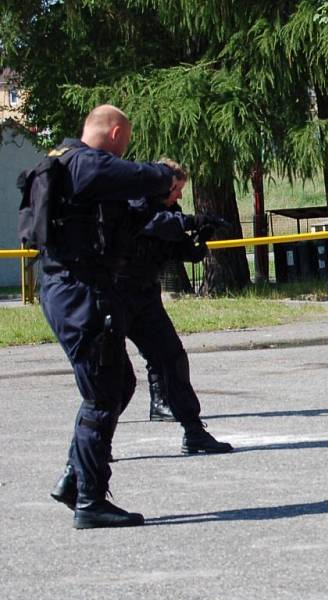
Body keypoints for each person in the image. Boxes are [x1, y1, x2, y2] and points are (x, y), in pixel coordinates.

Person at [49, 161, 234, 514]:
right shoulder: (135, 203)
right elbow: (155, 225)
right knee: (114, 384)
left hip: (145, 297)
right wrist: (188, 223)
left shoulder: (169, 210)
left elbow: (180, 248)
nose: (177, 195)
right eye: (174, 189)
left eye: (179, 191)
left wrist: (201, 234)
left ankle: (193, 431)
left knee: (171, 358)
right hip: (117, 294)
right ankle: (79, 468)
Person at [37, 105, 176, 528]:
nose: (124, 150)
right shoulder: (83, 164)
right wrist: (161, 175)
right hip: (79, 295)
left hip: (71, 290)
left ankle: (75, 478)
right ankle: (89, 501)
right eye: (124, 140)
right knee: (102, 394)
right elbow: (130, 176)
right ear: (115, 132)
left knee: (119, 383)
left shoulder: (65, 162)